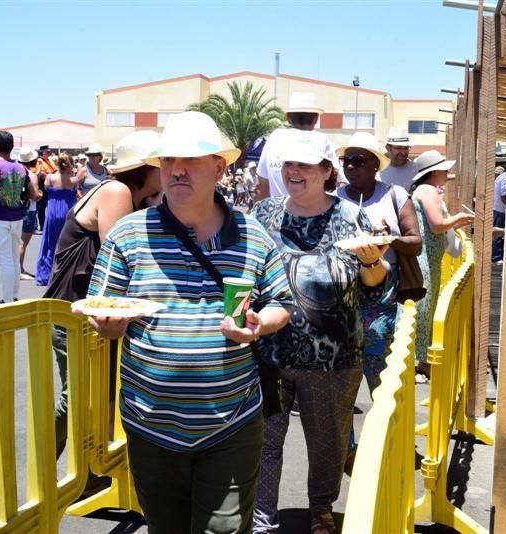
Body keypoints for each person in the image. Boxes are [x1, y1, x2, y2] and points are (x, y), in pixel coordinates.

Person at [87, 111, 292, 534]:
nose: (177, 169)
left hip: (231, 422)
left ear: (220, 166)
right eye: (168, 160)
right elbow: (102, 305)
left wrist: (259, 324)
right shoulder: (128, 235)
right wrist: (106, 325)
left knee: (223, 530)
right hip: (149, 424)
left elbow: (281, 302)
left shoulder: (252, 235)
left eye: (192, 160)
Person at [252, 129, 392, 534]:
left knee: (327, 442)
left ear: (326, 171)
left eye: (304, 165)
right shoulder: (264, 215)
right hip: (269, 352)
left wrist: (371, 263)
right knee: (264, 442)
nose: (293, 172)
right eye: (288, 165)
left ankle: (321, 510)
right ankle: (262, 518)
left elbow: (376, 287)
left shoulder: (351, 217)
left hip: (333, 356)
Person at [45, 130, 162, 460]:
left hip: (93, 312)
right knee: (78, 395)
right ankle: (44, 468)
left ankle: (94, 469)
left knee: (103, 391)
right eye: (162, 164)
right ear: (146, 169)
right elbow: (124, 255)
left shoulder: (131, 196)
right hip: (75, 312)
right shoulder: (116, 191)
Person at [335, 131, 422, 391]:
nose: (351, 166)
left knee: (380, 370)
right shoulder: (335, 199)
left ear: (375, 163)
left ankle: (387, 424)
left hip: (381, 293)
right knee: (341, 374)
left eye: (359, 160)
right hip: (342, 293)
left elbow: (415, 243)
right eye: (347, 160)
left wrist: (388, 240)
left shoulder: (393, 195)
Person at [411, 150, 474, 381]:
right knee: (425, 308)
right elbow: (438, 225)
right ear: (434, 172)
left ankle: (420, 361)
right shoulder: (428, 190)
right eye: (444, 169)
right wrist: (460, 219)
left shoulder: (422, 189)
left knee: (425, 307)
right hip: (426, 258)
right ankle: (422, 363)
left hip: (428, 256)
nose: (447, 173)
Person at [0, 131, 39, 304]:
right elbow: (33, 194)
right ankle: (14, 294)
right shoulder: (21, 168)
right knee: (14, 257)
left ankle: (7, 300)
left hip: (0, 217)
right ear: (12, 147)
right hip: (17, 217)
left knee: (5, 259)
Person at [255, 92, 338, 202]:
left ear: (288, 117)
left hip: (276, 215)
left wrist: (259, 213)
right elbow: (339, 183)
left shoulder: (275, 138)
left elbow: (262, 188)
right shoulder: (323, 141)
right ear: (316, 119)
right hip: (317, 214)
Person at [35, 153, 79, 286]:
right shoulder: (74, 180)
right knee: (67, 243)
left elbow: (47, 188)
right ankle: (64, 273)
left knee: (49, 244)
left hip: (53, 213)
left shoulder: (49, 178)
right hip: (68, 213)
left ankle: (47, 273)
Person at [17, 147, 42, 280]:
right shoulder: (31, 176)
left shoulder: (15, 172)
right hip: (28, 210)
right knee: (23, 243)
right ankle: (19, 270)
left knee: (16, 241)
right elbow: (35, 196)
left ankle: (17, 268)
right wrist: (41, 194)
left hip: (15, 209)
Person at [379, 127, 418, 191]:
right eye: (399, 148)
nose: (403, 152)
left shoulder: (417, 170)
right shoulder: (379, 171)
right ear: (388, 148)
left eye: (406, 148)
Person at [36, 145, 57, 230]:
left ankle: (49, 224)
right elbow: (42, 174)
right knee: (42, 206)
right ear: (42, 153)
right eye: (46, 152)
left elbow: (55, 170)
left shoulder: (50, 160)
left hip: (51, 183)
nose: (48, 153)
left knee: (51, 205)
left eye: (48, 152)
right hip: (42, 183)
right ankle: (42, 225)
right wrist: (51, 175)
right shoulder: (39, 161)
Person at [492, 165, 506, 263]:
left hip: (497, 209)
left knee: (496, 233)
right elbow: (504, 197)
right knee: (498, 234)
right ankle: (496, 257)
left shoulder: (501, 177)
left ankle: (496, 256)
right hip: (500, 210)